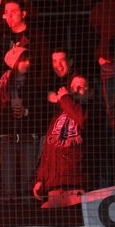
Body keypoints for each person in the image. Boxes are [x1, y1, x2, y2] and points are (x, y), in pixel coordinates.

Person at [0, 47, 47, 202]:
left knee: (28, 188)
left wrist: (26, 112)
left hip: (29, 140)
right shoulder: (0, 87)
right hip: (7, 141)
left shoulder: (35, 86)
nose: (27, 63)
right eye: (23, 59)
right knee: (7, 188)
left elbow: (43, 116)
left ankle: (28, 223)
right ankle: (7, 223)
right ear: (13, 62)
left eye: (29, 59)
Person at [34, 74, 93, 208]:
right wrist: (40, 179)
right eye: (72, 86)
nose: (74, 90)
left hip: (77, 185)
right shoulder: (58, 115)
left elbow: (82, 119)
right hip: (54, 186)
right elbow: (48, 149)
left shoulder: (94, 110)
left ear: (90, 92)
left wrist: (65, 98)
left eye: (80, 87)